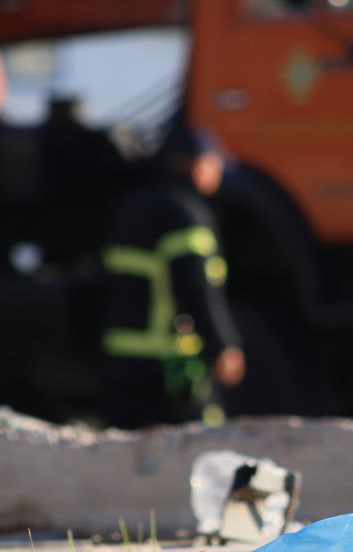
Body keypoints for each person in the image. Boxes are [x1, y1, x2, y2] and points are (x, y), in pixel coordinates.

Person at [101, 126, 246, 428]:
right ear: (196, 165)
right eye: (215, 162)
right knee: (195, 445)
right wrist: (222, 345)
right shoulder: (186, 214)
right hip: (167, 364)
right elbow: (195, 286)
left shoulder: (135, 205)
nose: (219, 171)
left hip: (122, 358)